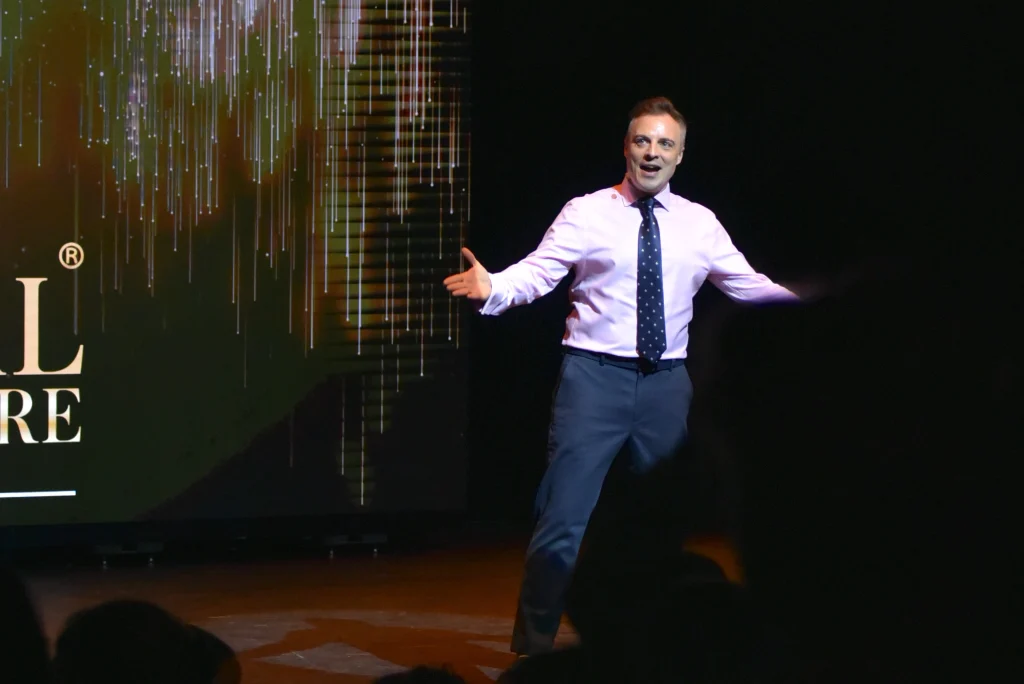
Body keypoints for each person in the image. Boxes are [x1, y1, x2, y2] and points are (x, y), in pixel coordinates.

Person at [444, 96, 802, 656]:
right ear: (627, 148)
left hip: (667, 386)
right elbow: (539, 272)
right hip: (593, 380)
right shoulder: (587, 212)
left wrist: (816, 310)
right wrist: (495, 287)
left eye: (664, 144)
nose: (652, 152)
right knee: (563, 520)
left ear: (680, 155)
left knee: (664, 524)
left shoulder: (699, 224)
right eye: (642, 141)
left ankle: (651, 649)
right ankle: (534, 650)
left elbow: (749, 285)